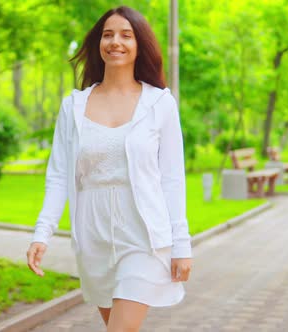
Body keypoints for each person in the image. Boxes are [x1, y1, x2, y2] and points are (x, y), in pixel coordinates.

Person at [26, 6, 192, 331]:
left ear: (139, 45)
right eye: (108, 34)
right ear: (98, 44)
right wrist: (41, 234)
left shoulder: (160, 104)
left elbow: (172, 179)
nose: (115, 42)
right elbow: (59, 176)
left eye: (126, 35)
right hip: (93, 236)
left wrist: (181, 245)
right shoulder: (72, 106)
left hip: (142, 236)